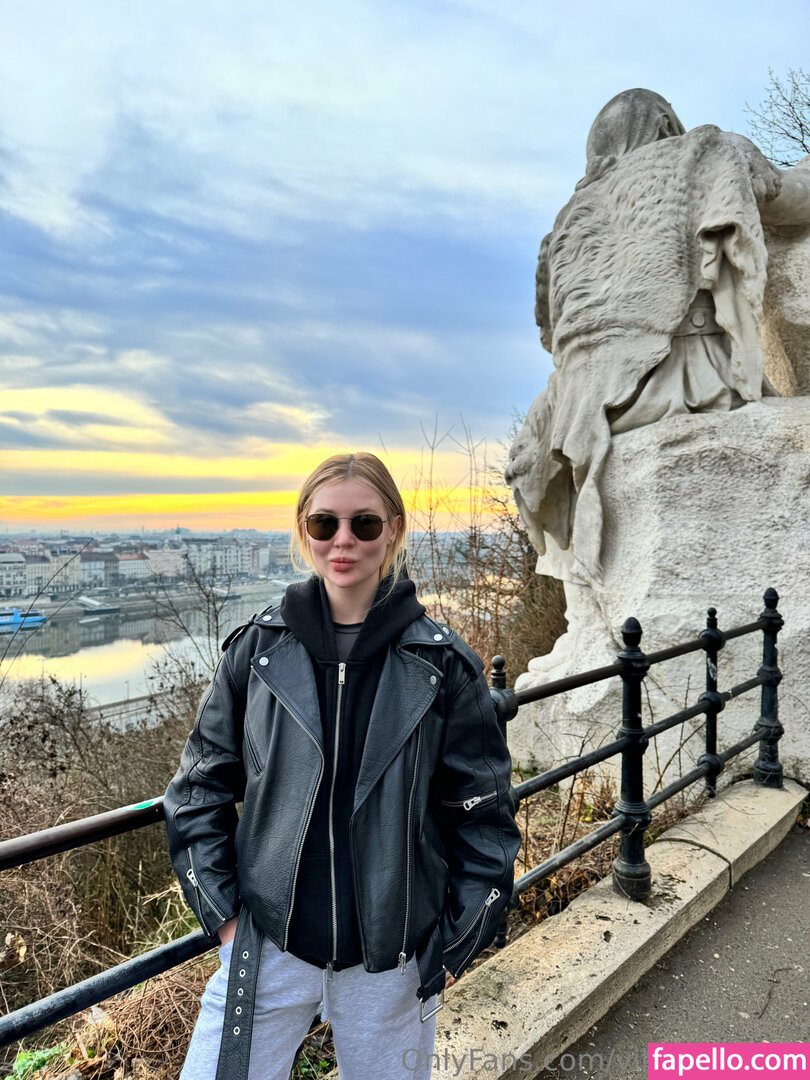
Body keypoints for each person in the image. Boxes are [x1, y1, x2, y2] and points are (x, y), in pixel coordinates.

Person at [163, 451, 522, 1080]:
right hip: (268, 947)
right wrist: (227, 922)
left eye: (365, 523)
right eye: (325, 523)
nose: (344, 540)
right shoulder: (258, 652)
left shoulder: (442, 666)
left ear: (394, 530)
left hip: (391, 963)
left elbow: (485, 816)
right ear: (304, 530)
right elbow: (197, 792)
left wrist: (454, 943)